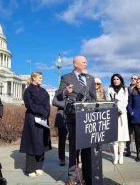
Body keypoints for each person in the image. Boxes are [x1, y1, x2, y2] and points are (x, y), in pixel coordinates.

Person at [55, 55, 96, 185]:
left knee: (87, 147)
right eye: (84, 62)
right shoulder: (66, 77)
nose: (86, 64)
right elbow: (58, 95)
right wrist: (66, 92)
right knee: (74, 147)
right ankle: (72, 177)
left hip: (88, 117)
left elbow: (93, 98)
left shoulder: (90, 79)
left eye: (86, 62)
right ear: (75, 64)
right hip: (73, 117)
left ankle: (87, 175)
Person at [19, 71, 52, 179]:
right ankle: (30, 169)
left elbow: (47, 104)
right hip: (33, 119)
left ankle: (39, 166)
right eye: (39, 78)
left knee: (42, 143)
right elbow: (29, 105)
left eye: (42, 78)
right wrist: (42, 111)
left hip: (43, 119)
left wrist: (46, 113)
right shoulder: (28, 90)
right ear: (33, 78)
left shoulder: (44, 91)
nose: (41, 79)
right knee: (32, 144)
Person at [106, 74, 129, 165]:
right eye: (114, 79)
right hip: (113, 113)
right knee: (115, 138)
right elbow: (108, 101)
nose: (116, 80)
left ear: (120, 80)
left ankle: (121, 156)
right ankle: (115, 156)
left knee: (122, 138)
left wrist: (121, 110)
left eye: (117, 79)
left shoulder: (125, 89)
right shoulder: (109, 89)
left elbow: (125, 101)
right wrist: (114, 109)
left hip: (122, 114)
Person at [52, 90, 67, 167]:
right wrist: (66, 105)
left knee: (75, 140)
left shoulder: (75, 90)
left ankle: (76, 157)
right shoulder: (60, 91)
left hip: (74, 117)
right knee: (62, 140)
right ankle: (62, 159)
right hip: (61, 118)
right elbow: (54, 101)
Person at [125, 74, 138, 157]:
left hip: (137, 114)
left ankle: (138, 150)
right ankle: (128, 149)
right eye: (132, 78)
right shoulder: (126, 89)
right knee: (129, 133)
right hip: (128, 113)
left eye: (135, 78)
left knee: (137, 133)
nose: (133, 79)